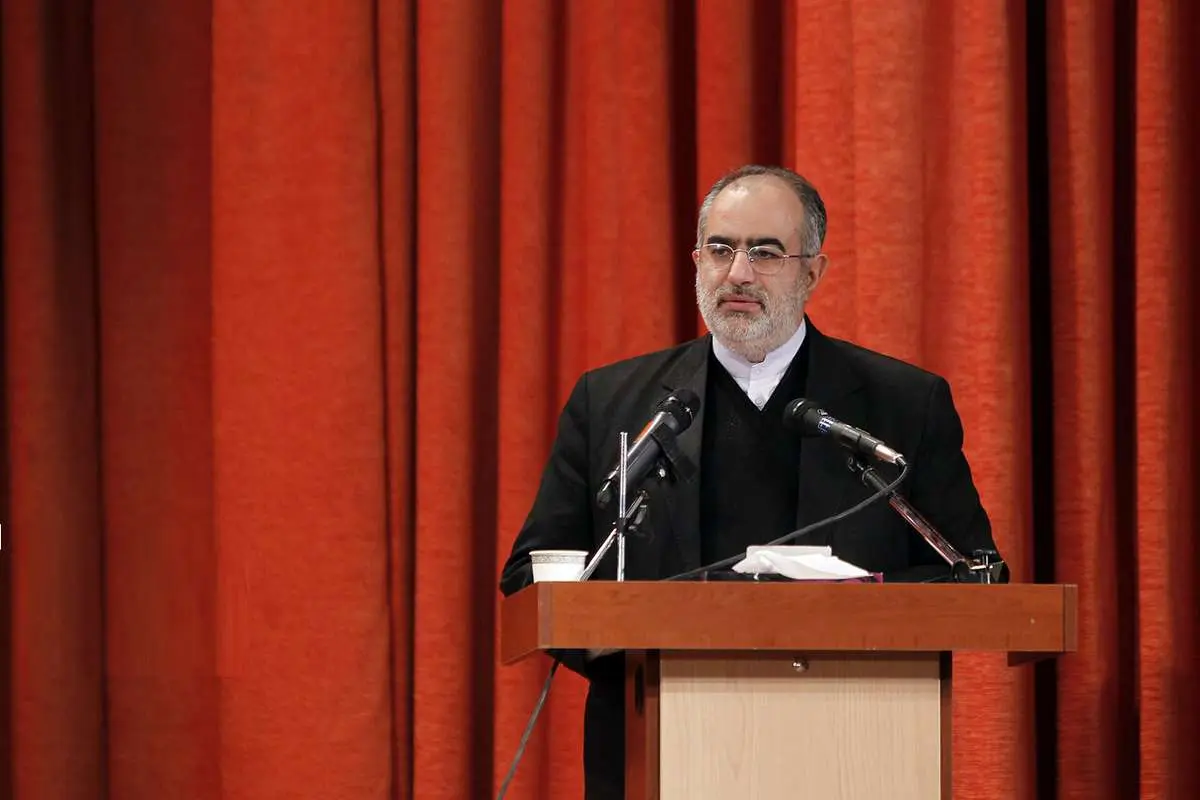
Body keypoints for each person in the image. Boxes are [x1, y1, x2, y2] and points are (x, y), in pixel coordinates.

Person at [499, 164, 999, 799]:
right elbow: (531, 576)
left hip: (855, 743)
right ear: (696, 263)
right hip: (658, 744)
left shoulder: (901, 405)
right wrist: (626, 640)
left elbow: (971, 573)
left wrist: (848, 609)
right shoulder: (614, 403)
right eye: (721, 249)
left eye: (765, 253)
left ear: (812, 272)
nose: (738, 273)